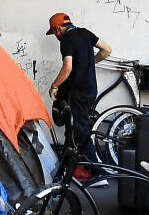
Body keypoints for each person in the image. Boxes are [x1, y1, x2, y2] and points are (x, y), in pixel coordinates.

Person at [46, 12, 113, 183]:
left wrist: (54, 85)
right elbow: (107, 50)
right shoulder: (86, 33)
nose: (55, 36)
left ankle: (98, 173)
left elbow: (67, 67)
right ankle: (68, 169)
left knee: (80, 131)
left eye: (54, 33)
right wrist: (91, 62)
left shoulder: (67, 40)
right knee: (73, 129)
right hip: (90, 90)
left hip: (77, 93)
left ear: (58, 29)